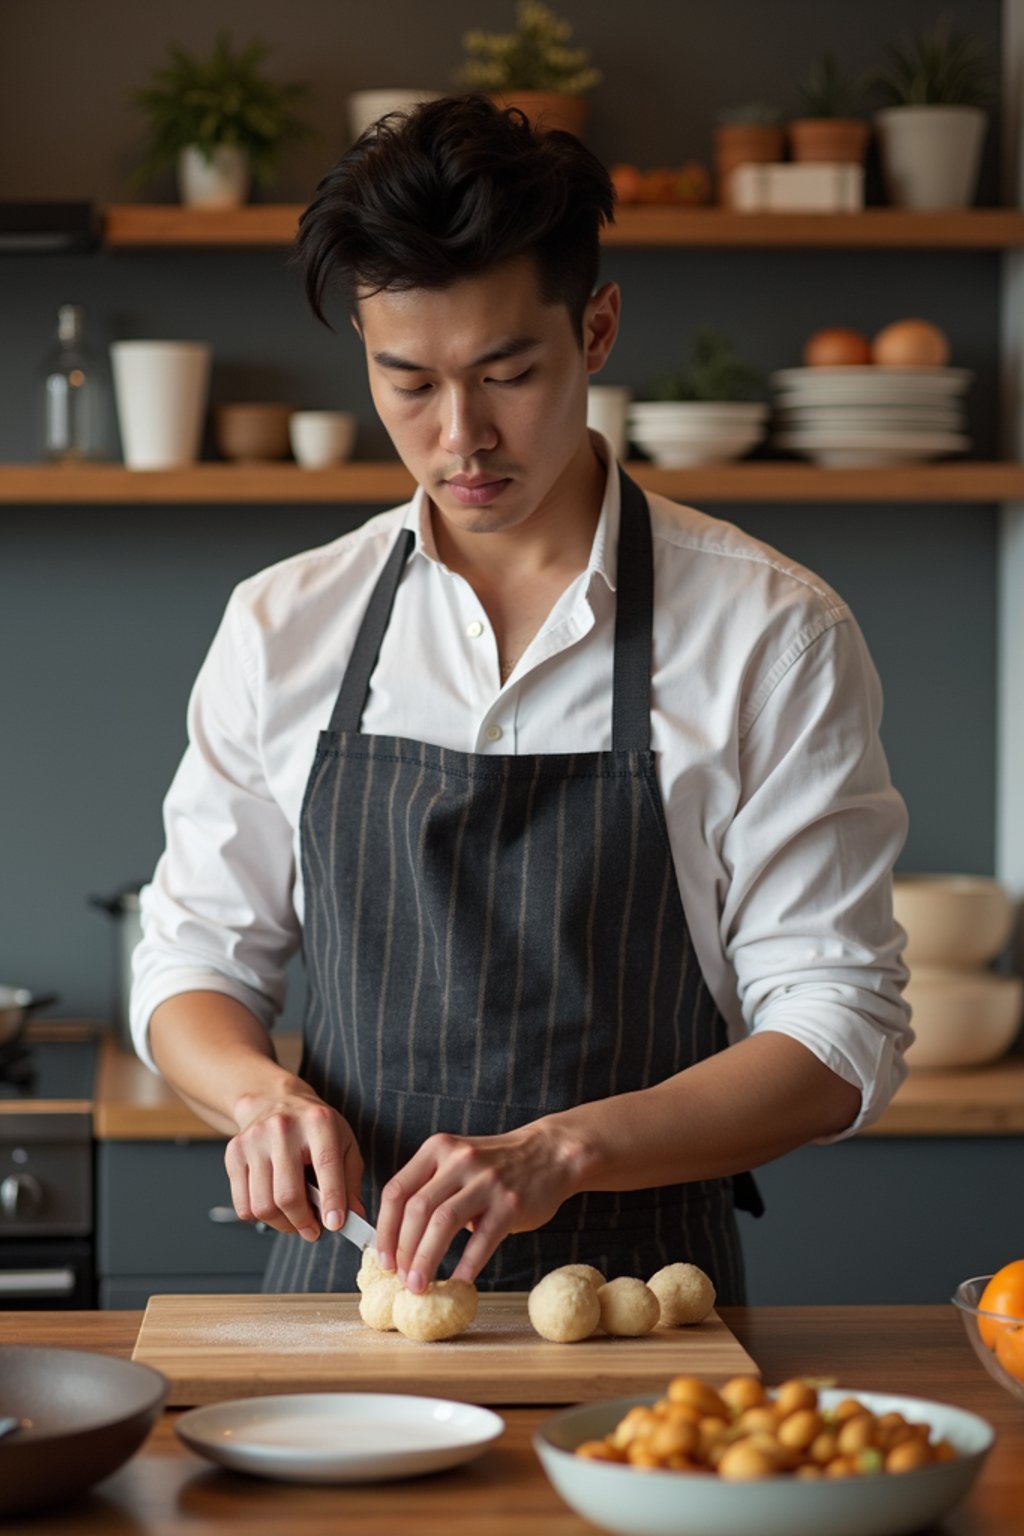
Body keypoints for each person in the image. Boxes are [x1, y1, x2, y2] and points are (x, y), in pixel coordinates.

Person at [131, 95, 911, 1305]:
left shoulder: (770, 630)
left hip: (643, 1312)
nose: (460, 440)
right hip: (346, 1300)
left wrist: (564, 1151)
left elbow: (835, 1030)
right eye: (408, 384)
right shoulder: (284, 623)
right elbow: (190, 964)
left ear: (595, 330)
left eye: (507, 374)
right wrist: (257, 1093)